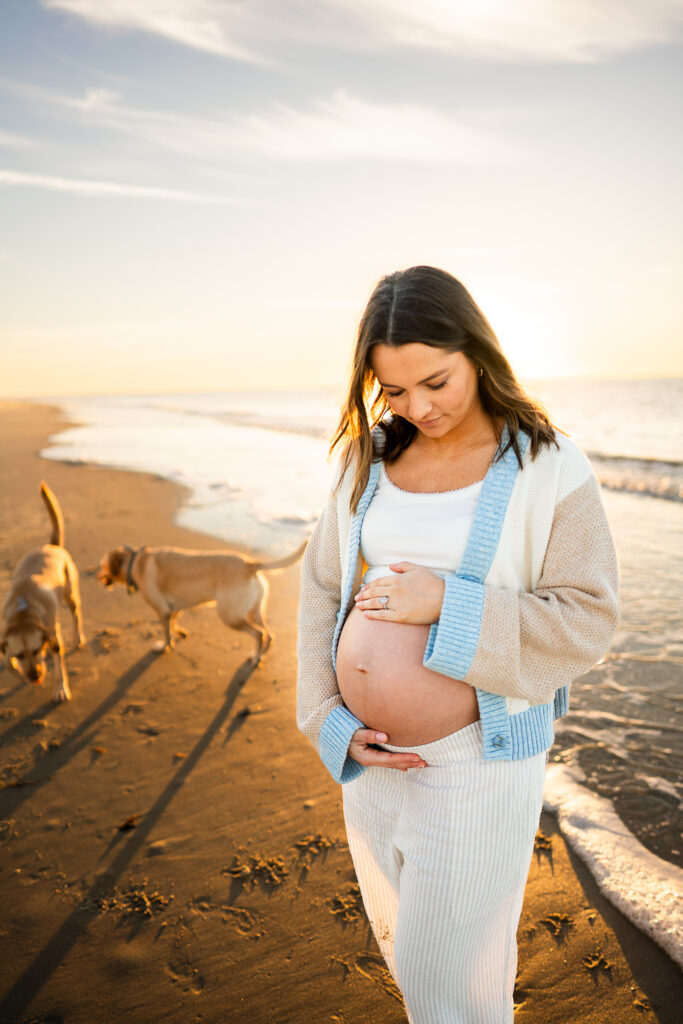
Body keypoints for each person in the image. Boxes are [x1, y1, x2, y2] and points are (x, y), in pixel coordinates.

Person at [296, 265, 619, 1023]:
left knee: (448, 988)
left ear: (477, 351)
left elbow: (587, 618)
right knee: (408, 958)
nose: (419, 407)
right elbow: (318, 589)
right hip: (368, 759)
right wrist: (327, 720)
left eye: (435, 382)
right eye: (394, 390)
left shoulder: (547, 466)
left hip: (477, 759)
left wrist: (448, 602)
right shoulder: (364, 460)